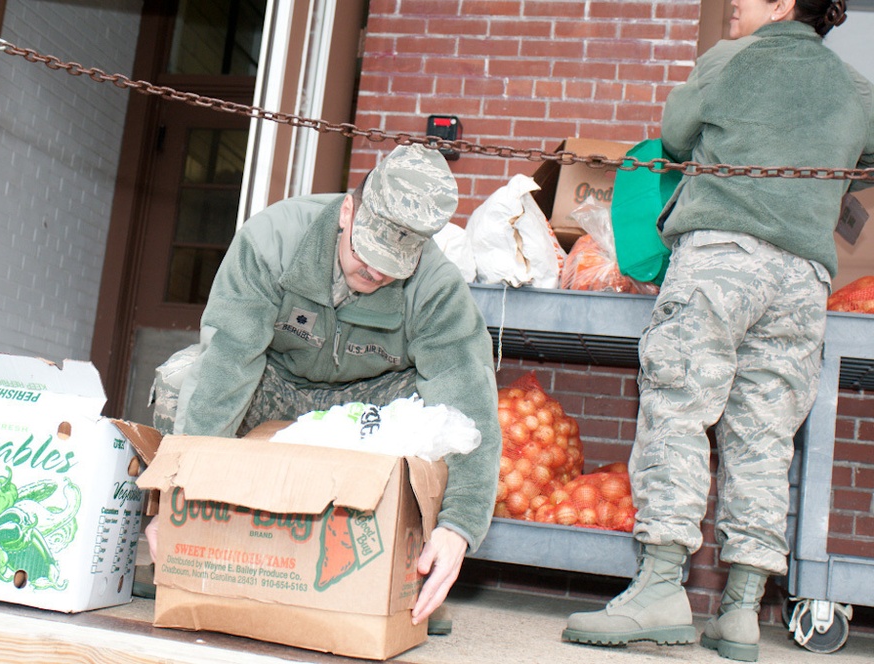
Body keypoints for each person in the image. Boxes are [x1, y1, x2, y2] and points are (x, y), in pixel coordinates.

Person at [562, 0, 874, 661]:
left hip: (720, 262)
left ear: (786, 3)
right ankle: (739, 611)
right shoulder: (856, 90)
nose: (733, 2)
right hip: (802, 282)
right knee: (765, 433)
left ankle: (659, 588)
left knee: (678, 408)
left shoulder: (730, 60)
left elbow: (674, 139)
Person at [149, 143, 501, 627]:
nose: (375, 272)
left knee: (439, 424)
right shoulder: (274, 240)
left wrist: (458, 528)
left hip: (368, 405)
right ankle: (207, 552)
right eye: (367, 250)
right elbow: (226, 367)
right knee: (181, 379)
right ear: (348, 211)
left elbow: (468, 407)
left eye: (393, 264)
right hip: (275, 384)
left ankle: (402, 581)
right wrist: (177, 491)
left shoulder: (437, 288)